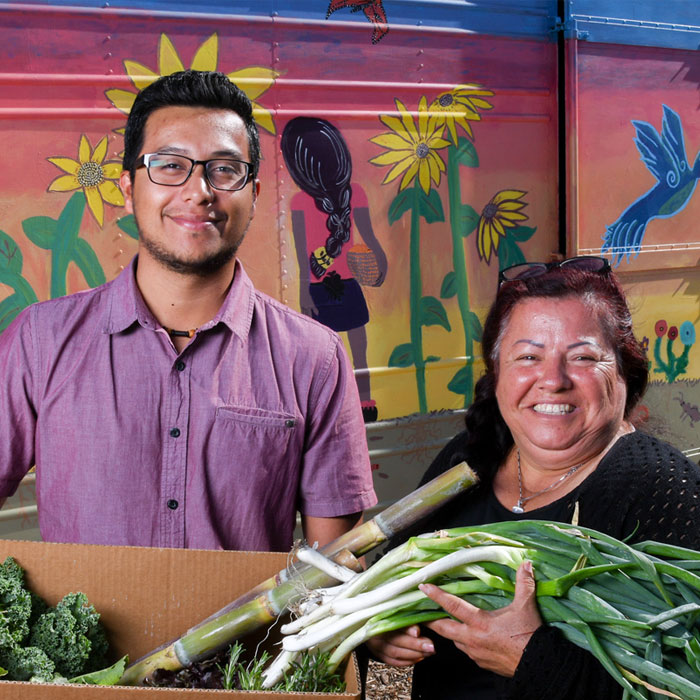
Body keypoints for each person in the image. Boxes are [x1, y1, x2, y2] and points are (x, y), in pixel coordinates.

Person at [0, 70, 376, 552]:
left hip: (251, 632)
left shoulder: (313, 356)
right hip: (92, 631)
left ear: (254, 195)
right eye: (170, 165)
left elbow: (335, 573)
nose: (199, 191)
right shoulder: (40, 340)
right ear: (127, 185)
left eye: (223, 170)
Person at [365, 255, 700, 699]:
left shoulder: (662, 488)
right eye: (528, 356)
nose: (552, 379)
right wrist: (381, 627)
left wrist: (533, 660)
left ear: (624, 371)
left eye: (582, 357)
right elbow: (390, 570)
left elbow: (684, 681)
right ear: (498, 371)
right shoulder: (469, 461)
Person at [281, 117, 388, 423]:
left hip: (323, 287)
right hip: (343, 285)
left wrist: (304, 292)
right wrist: (380, 259)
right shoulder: (352, 194)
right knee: (357, 349)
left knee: (326, 354)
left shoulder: (300, 201)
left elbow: (305, 257)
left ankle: (354, 402)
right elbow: (368, 238)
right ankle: (361, 401)